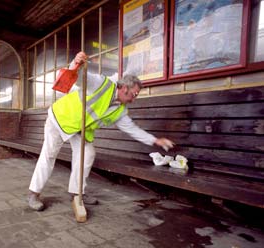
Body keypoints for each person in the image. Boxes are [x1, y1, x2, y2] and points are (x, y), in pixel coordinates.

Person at [27, 51, 175, 211]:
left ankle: (77, 193)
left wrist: (155, 140)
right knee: (49, 154)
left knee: (87, 154)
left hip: (79, 129)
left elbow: (133, 129)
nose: (134, 99)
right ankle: (34, 193)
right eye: (134, 94)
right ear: (124, 88)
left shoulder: (121, 110)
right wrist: (76, 63)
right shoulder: (102, 83)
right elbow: (80, 76)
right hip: (60, 118)